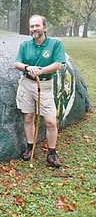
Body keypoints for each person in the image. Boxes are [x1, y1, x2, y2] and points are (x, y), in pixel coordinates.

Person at [14, 14, 66, 168]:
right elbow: (16, 63)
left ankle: (51, 152)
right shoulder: (25, 45)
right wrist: (28, 68)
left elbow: (58, 64)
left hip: (45, 85)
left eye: (37, 25)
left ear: (44, 27)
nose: (34, 29)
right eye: (32, 26)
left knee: (50, 121)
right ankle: (30, 147)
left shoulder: (55, 44)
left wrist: (40, 70)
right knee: (28, 117)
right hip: (26, 84)